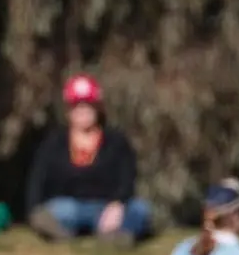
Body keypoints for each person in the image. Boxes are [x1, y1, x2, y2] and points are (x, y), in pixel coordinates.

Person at [25, 74, 154, 246]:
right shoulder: (54, 143)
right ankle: (62, 235)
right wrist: (34, 210)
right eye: (77, 106)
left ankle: (117, 237)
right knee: (56, 210)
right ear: (68, 110)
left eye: (88, 105)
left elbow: (128, 177)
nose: (82, 111)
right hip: (71, 208)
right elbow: (38, 178)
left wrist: (117, 204)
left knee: (140, 209)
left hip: (108, 207)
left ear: (97, 108)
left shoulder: (116, 141)